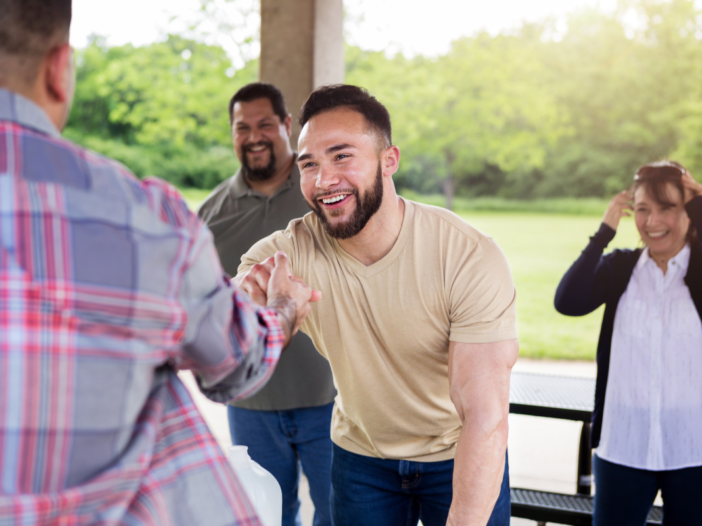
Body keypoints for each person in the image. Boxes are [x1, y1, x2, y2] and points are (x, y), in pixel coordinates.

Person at [0, 1, 319, 524]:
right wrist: (281, 307)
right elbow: (234, 363)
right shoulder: (143, 217)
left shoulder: (313, 193)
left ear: (286, 125)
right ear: (60, 70)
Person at [235, 84, 519, 526]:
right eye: (309, 164)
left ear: (389, 161)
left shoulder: (466, 254)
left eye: (342, 156)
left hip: (456, 452)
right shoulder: (289, 254)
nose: (324, 180)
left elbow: (484, 413)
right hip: (361, 458)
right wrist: (268, 313)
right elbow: (224, 338)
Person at [198, 82, 336, 526]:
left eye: (264, 124)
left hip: (329, 396)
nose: (253, 136)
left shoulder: (323, 193)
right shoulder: (210, 214)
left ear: (286, 126)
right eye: (242, 127)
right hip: (251, 403)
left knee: (339, 515)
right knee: (264, 516)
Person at [555, 161, 702, 526]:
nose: (652, 222)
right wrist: (603, 232)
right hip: (623, 448)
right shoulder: (620, 269)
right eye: (642, 209)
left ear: (688, 210)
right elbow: (567, 301)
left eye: (667, 207)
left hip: (694, 452)